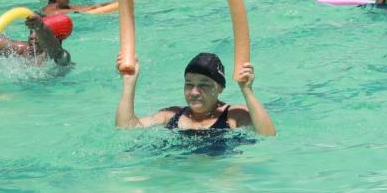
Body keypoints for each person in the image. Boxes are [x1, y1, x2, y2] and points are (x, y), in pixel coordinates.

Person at [116, 51, 275, 136]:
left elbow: (267, 135)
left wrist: (247, 90)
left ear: (220, 88)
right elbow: (126, 128)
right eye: (189, 84)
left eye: (204, 85)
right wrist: (129, 82)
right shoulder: (171, 115)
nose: (194, 92)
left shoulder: (233, 116)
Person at [0, 1, 71, 67]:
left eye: (36, 33)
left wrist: (40, 27)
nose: (32, 36)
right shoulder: (23, 50)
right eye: (31, 31)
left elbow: (53, 48)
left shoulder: (62, 57)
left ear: (55, 38)